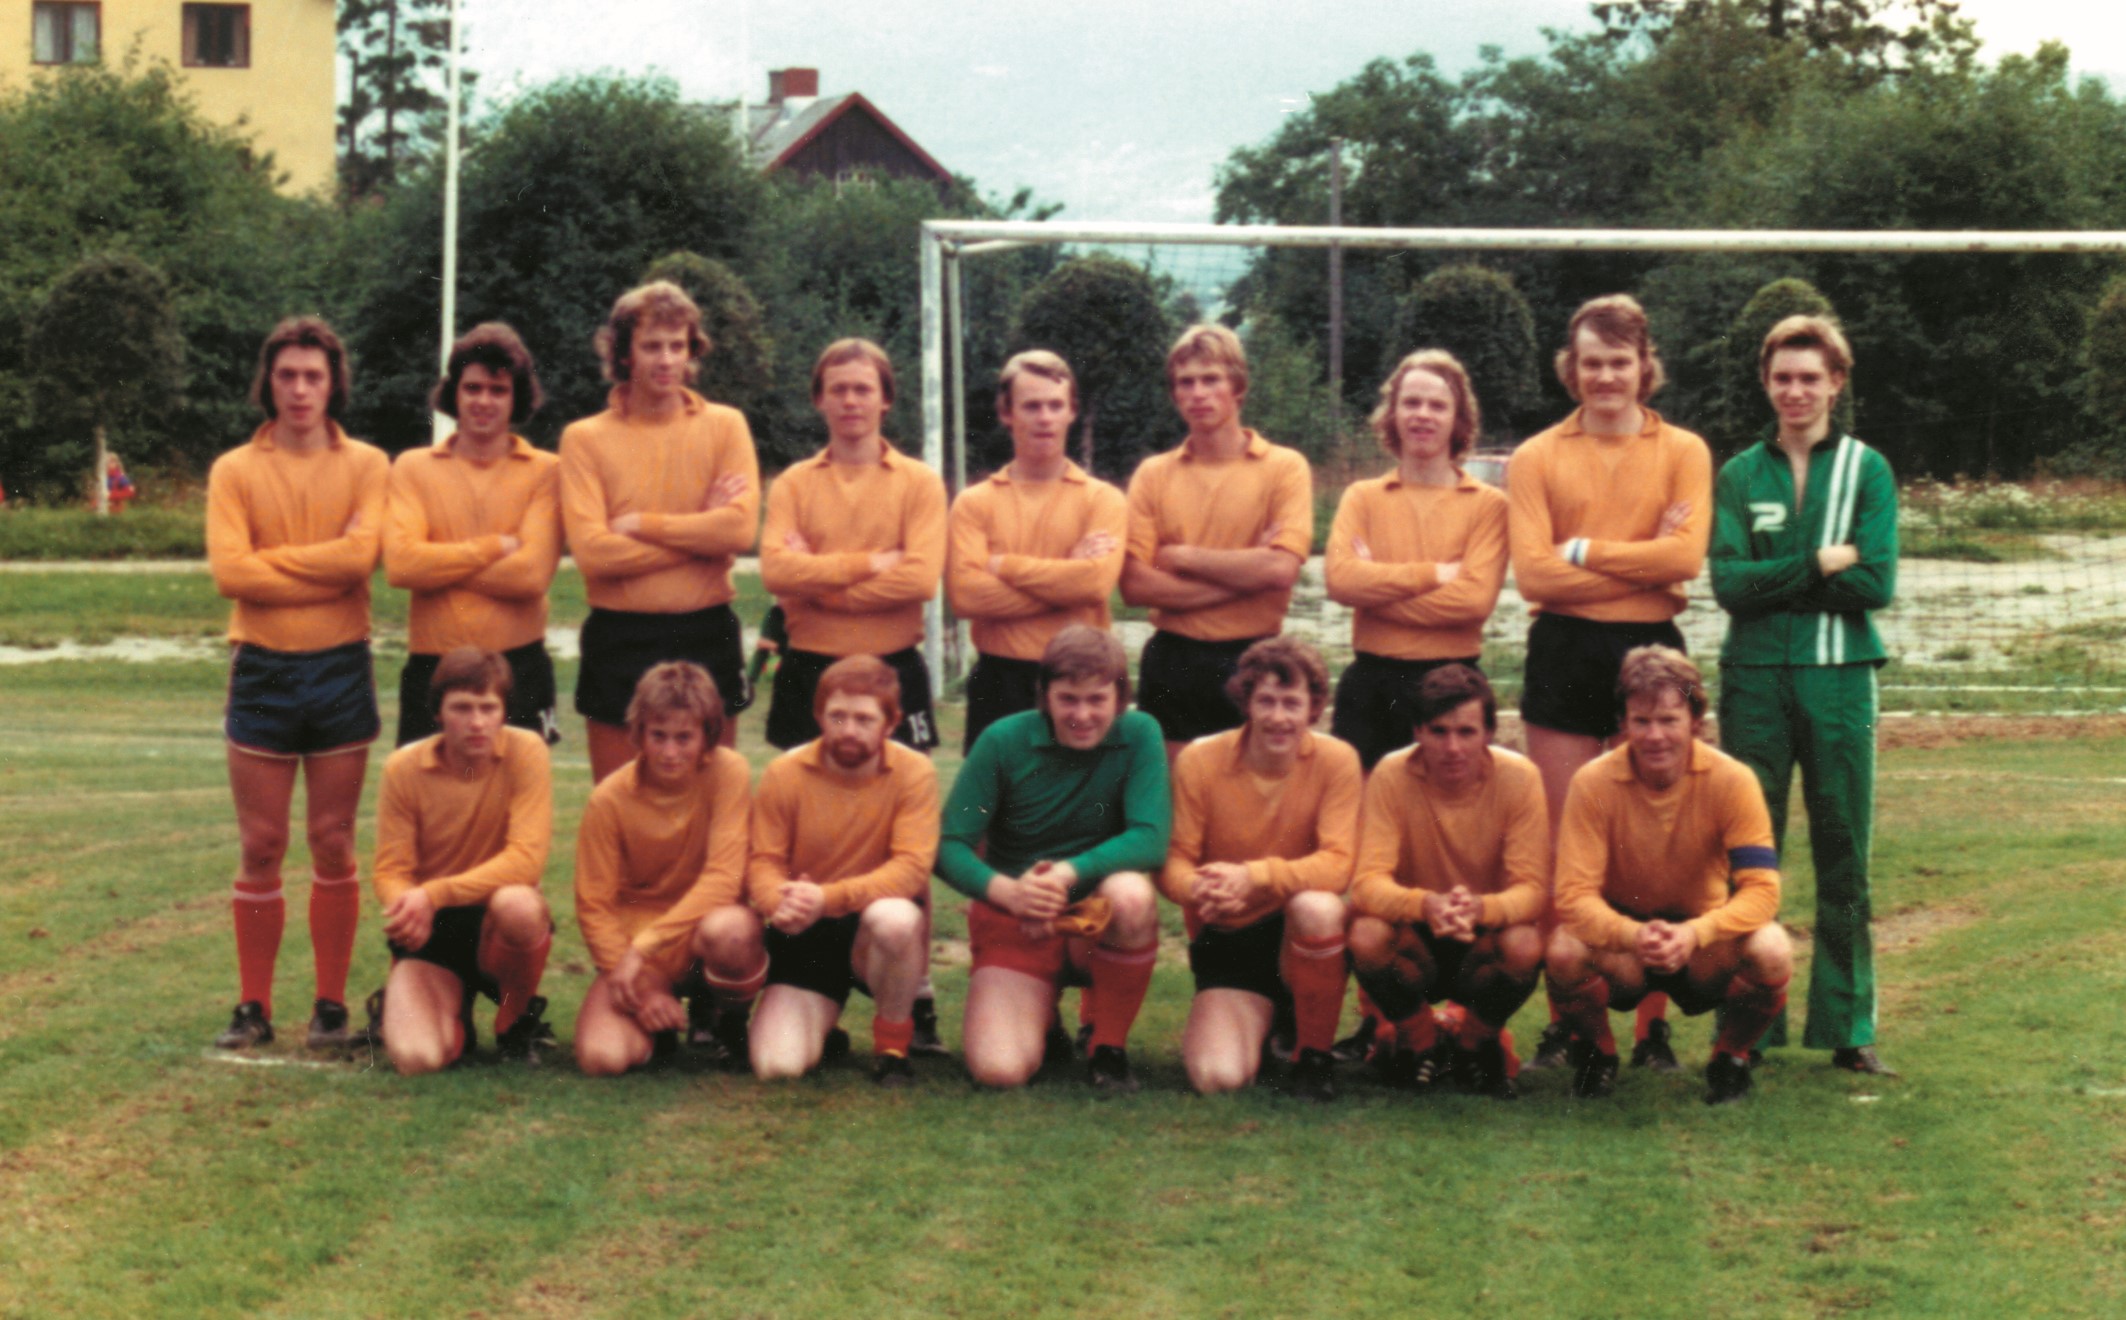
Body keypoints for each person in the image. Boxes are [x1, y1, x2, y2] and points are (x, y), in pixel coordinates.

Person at [1506, 294, 1712, 1073]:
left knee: (1653, 843)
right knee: (1568, 847)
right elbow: (1533, 575)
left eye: (1619, 362)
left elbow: (1684, 560)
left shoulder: (1684, 450)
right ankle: (1573, 1021)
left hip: (1653, 649)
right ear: (1572, 368)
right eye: (1592, 363)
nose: (1605, 377)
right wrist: (1640, 562)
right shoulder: (1536, 457)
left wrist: (1583, 551)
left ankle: (1652, 1026)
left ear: (1644, 366)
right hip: (1562, 650)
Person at [1711, 314, 1899, 1075]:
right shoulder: (1738, 474)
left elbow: (1875, 581)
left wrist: (1776, 579)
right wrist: (1820, 562)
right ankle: (1747, 1028)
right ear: (1766, 382)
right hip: (1753, 677)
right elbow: (1729, 585)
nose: (1796, 391)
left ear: (1836, 383)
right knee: (1749, 854)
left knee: (1843, 850)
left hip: (1840, 677)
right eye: (1783, 377)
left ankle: (1849, 1028)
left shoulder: (1868, 470)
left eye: (1810, 378)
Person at [205, 316, 389, 1051]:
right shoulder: (233, 470)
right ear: (269, 382)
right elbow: (231, 573)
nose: (301, 389)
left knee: (333, 840)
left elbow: (360, 561)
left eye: (314, 376)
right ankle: (252, 1006)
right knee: (262, 843)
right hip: (263, 667)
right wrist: (326, 562)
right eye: (288, 375)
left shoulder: (368, 464)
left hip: (341, 664)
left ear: (333, 382)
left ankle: (330, 1007)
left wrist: (274, 562)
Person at [1545, 647, 1792, 1105]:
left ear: (1695, 721)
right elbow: (1574, 897)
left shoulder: (1734, 780)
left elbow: (1762, 890)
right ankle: (1599, 1055)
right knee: (1564, 950)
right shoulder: (1592, 783)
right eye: (1641, 721)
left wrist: (1696, 934)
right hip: (1626, 944)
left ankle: (1731, 1058)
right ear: (1623, 723)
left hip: (1701, 943)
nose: (1655, 735)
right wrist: (1633, 935)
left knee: (1772, 948)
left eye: (1668, 720)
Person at [937, 625, 1169, 1092]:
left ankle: (1107, 1046)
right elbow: (948, 844)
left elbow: (1150, 837)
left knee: (1130, 894)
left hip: (1090, 922)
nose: (1082, 715)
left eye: (1096, 700)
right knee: (1000, 1070)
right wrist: (1009, 893)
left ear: (1120, 697)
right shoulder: (1003, 741)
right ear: (1044, 695)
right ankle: (1043, 1020)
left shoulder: (1140, 733)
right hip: (1018, 921)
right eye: (1068, 699)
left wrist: (1066, 873)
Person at [559, 281, 760, 784]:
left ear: (692, 350)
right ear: (624, 353)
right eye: (651, 346)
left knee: (713, 798)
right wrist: (699, 539)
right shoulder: (584, 438)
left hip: (707, 631)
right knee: (619, 800)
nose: (666, 359)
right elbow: (594, 554)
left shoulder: (726, 426)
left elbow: (738, 531)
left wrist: (645, 527)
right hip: (619, 637)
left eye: (677, 345)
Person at [1159, 637, 1360, 1101]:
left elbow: (1338, 864)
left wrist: (1254, 876)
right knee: (1218, 1079)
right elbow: (1173, 864)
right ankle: (1269, 1021)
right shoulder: (1199, 759)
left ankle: (1313, 1056)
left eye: (1292, 703)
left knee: (1318, 907)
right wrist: (1201, 889)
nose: (1278, 717)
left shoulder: (1337, 760)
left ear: (1314, 708)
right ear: (1246, 702)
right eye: (1266, 701)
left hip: (1295, 933)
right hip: (1230, 934)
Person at [1346, 665, 1548, 1099]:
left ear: (1489, 732)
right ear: (1417, 730)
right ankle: (1420, 1040)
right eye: (1438, 731)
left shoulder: (1520, 777)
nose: (1452, 747)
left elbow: (1533, 890)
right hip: (1416, 934)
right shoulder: (1390, 773)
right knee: (1366, 934)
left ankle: (1475, 1043)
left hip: (1482, 936)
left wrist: (1480, 909)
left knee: (1525, 944)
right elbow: (1366, 883)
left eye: (1466, 732)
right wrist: (1427, 905)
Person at [1121, 324, 1313, 763]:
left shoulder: (1284, 468)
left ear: (1238, 388)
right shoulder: (1153, 474)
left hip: (1255, 658)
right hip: (1174, 660)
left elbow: (1280, 570)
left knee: (1252, 790)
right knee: (1178, 793)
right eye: (1186, 383)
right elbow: (1134, 586)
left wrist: (1182, 557)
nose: (1198, 394)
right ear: (1175, 394)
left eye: (1211, 380)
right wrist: (1245, 577)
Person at [747, 655, 940, 1086]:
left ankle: (892, 1047)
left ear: (891, 722)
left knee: (896, 918)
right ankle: (824, 1028)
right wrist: (780, 902)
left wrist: (827, 898)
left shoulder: (914, 772)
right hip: (807, 929)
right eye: (837, 716)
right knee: (777, 1066)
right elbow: (764, 862)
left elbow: (911, 869)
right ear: (818, 716)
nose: (849, 730)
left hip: (873, 930)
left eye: (864, 719)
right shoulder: (784, 772)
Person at [571, 662, 765, 1077]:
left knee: (731, 931)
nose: (670, 752)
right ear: (639, 733)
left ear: (707, 735)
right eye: (658, 735)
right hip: (640, 951)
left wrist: (645, 946)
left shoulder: (729, 772)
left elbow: (724, 879)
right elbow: (594, 905)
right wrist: (639, 987)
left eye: (684, 737)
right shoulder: (608, 799)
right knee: (602, 1058)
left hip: (699, 934)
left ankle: (727, 1021)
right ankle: (657, 1024)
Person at [370, 647, 556, 1073]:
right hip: (434, 926)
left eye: (488, 708)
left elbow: (526, 860)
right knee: (419, 1059)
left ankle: (514, 1021)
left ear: (504, 711)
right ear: (438, 712)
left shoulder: (527, 751)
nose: (477, 722)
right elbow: (391, 870)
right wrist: (406, 908)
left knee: (520, 904)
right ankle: (452, 1018)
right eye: (462, 708)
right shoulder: (403, 768)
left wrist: (433, 894)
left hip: (494, 920)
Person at [760, 338, 947, 754]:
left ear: (885, 399)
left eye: (863, 389)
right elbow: (776, 573)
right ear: (819, 399)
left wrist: (816, 585)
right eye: (838, 389)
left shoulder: (920, 483)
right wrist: (873, 563)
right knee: (803, 794)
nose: (850, 401)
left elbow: (919, 580)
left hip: (892, 667)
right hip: (808, 668)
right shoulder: (792, 484)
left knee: (901, 791)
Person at [1325, 350, 1509, 772]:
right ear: (1392, 415)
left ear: (1459, 419)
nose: (1422, 414)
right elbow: (1340, 581)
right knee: (1365, 809)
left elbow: (1473, 602)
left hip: (1455, 689)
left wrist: (1374, 591)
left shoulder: (1488, 505)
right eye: (1411, 402)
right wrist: (1433, 575)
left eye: (1437, 405)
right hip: (1371, 687)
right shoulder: (1361, 497)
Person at [385, 323, 563, 748]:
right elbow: (402, 565)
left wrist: (438, 565)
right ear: (454, 393)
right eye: (473, 388)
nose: (484, 401)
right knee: (428, 787)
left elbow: (530, 576)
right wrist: (493, 547)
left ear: (517, 396)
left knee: (518, 787)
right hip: (433, 667)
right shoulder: (412, 468)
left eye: (498, 390)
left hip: (519, 665)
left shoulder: (547, 471)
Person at [947, 350, 1127, 752]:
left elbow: (1094, 585)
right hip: (1001, 681)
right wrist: (1066, 574)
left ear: (1071, 411)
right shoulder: (974, 503)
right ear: (1006, 413)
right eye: (1031, 406)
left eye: (1055, 405)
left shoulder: (1103, 500)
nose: (1045, 417)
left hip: (1084, 683)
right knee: (999, 793)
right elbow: (966, 596)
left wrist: (1002, 566)